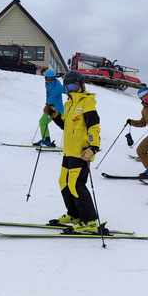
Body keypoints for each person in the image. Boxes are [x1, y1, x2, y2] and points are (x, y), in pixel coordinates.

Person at [44, 71, 102, 233]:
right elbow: (65, 125)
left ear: (81, 85)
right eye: (68, 86)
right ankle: (75, 214)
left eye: (74, 86)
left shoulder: (87, 102)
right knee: (64, 182)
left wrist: (93, 148)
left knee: (76, 185)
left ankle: (89, 220)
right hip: (68, 151)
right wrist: (55, 115)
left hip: (81, 152)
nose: (71, 89)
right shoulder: (70, 104)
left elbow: (94, 127)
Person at [35, 69, 66, 147]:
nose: (49, 80)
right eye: (47, 78)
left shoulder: (58, 86)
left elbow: (68, 91)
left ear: (54, 78)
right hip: (50, 109)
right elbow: (49, 96)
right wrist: (48, 105)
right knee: (42, 122)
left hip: (58, 111)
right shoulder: (47, 85)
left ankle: (81, 143)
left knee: (66, 127)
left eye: (51, 78)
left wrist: (72, 96)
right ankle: (46, 140)